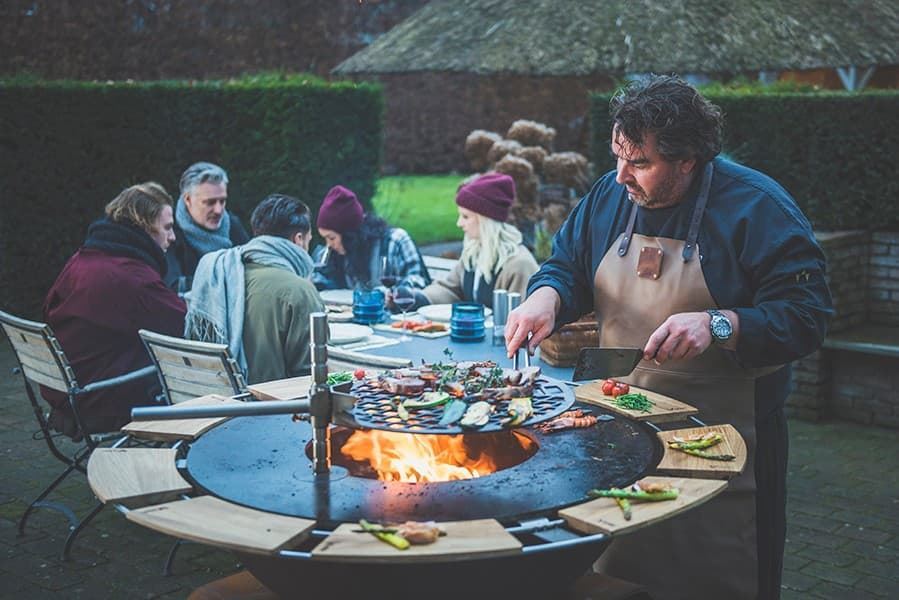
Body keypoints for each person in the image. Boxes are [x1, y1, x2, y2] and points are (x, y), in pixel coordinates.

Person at [505, 75, 832, 599]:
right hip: (620, 429)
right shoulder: (608, 199)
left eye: (639, 164)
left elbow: (807, 314)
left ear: (688, 160)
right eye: (617, 156)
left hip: (728, 441)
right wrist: (547, 296)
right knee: (625, 571)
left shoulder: (758, 207)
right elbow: (567, 265)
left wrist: (717, 323)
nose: (620, 177)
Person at [42, 182, 186, 434]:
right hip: (101, 398)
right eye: (167, 227)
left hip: (69, 390)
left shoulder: (84, 259)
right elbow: (185, 326)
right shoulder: (128, 277)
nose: (172, 237)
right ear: (143, 225)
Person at [186, 194, 324, 385]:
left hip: (214, 400)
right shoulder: (300, 291)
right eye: (309, 239)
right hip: (274, 409)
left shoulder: (224, 273)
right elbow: (312, 374)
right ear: (299, 239)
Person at [414, 173, 538, 308]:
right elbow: (452, 289)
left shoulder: (519, 265)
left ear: (486, 220)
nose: (459, 223)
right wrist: (418, 298)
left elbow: (522, 317)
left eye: (466, 217)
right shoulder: (474, 251)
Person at [312, 185, 431, 291]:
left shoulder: (395, 241)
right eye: (325, 238)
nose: (329, 245)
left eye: (332, 238)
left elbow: (419, 281)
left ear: (349, 235)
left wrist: (395, 292)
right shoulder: (336, 253)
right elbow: (320, 278)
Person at [164, 161, 250, 292]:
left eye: (222, 201)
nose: (218, 210)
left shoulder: (232, 225)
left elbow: (253, 271)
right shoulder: (170, 232)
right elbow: (173, 286)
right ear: (188, 200)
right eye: (209, 202)